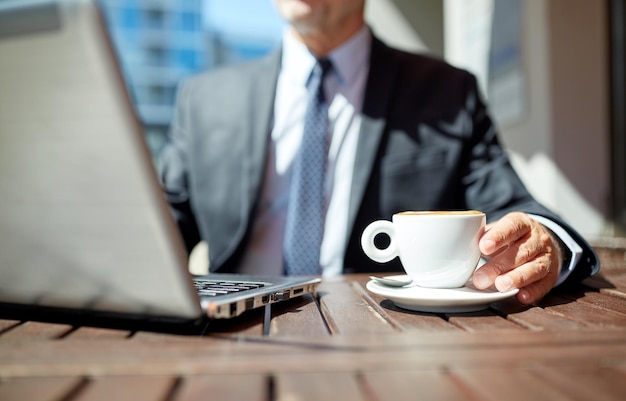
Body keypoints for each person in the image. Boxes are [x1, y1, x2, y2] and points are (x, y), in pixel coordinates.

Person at [159, 0, 599, 305]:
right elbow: (160, 224)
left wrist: (547, 245)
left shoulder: (447, 94)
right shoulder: (205, 99)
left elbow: (514, 209)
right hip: (230, 334)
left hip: (385, 331)